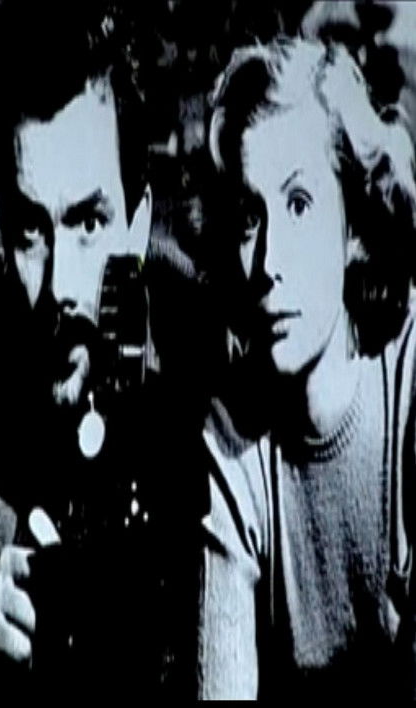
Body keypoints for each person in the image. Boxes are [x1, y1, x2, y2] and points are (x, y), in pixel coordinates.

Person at [0, 1, 205, 694]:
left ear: (138, 222)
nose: (59, 289)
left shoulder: (200, 345)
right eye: (30, 231)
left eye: (88, 222)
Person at [198, 37, 416, 700]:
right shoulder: (231, 439)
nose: (268, 263)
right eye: (249, 218)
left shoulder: (412, 376)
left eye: (298, 204)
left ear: (354, 225)